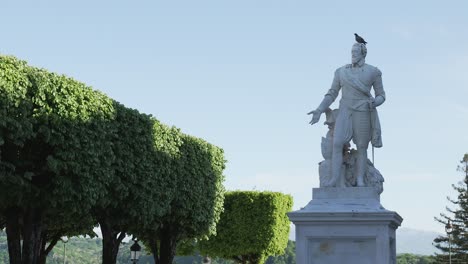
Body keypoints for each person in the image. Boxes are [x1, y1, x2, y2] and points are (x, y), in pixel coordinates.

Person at [308, 42, 385, 187]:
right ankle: (334, 179)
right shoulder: (341, 72)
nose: (353, 55)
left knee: (362, 147)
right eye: (352, 52)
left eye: (356, 52)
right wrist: (319, 109)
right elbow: (332, 94)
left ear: (363, 53)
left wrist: (375, 102)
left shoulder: (373, 72)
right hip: (345, 110)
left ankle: (360, 180)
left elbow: (382, 95)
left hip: (363, 110)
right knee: (337, 144)